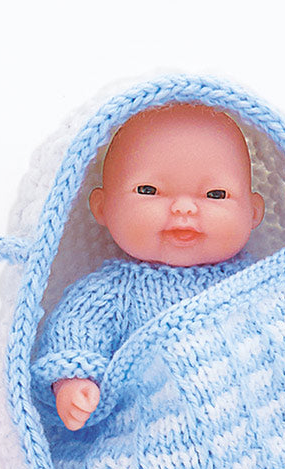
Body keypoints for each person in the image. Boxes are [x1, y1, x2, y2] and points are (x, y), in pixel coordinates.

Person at [34, 103, 265, 430]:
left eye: (215, 194)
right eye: (149, 191)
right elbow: (76, 332)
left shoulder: (260, 284)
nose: (184, 208)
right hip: (147, 432)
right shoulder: (112, 292)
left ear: (253, 212)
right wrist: (74, 382)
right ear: (102, 207)